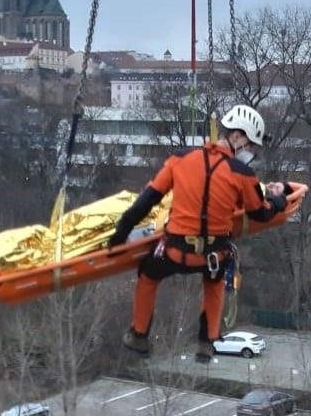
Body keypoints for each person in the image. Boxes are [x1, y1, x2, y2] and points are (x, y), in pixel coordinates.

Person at [108, 105, 293, 362]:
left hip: (174, 251)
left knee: (148, 274)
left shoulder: (179, 159)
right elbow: (259, 213)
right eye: (250, 146)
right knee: (214, 281)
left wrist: (121, 233)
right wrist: (279, 201)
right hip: (213, 256)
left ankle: (139, 336)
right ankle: (207, 342)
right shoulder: (242, 174)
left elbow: (147, 200)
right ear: (237, 136)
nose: (250, 153)